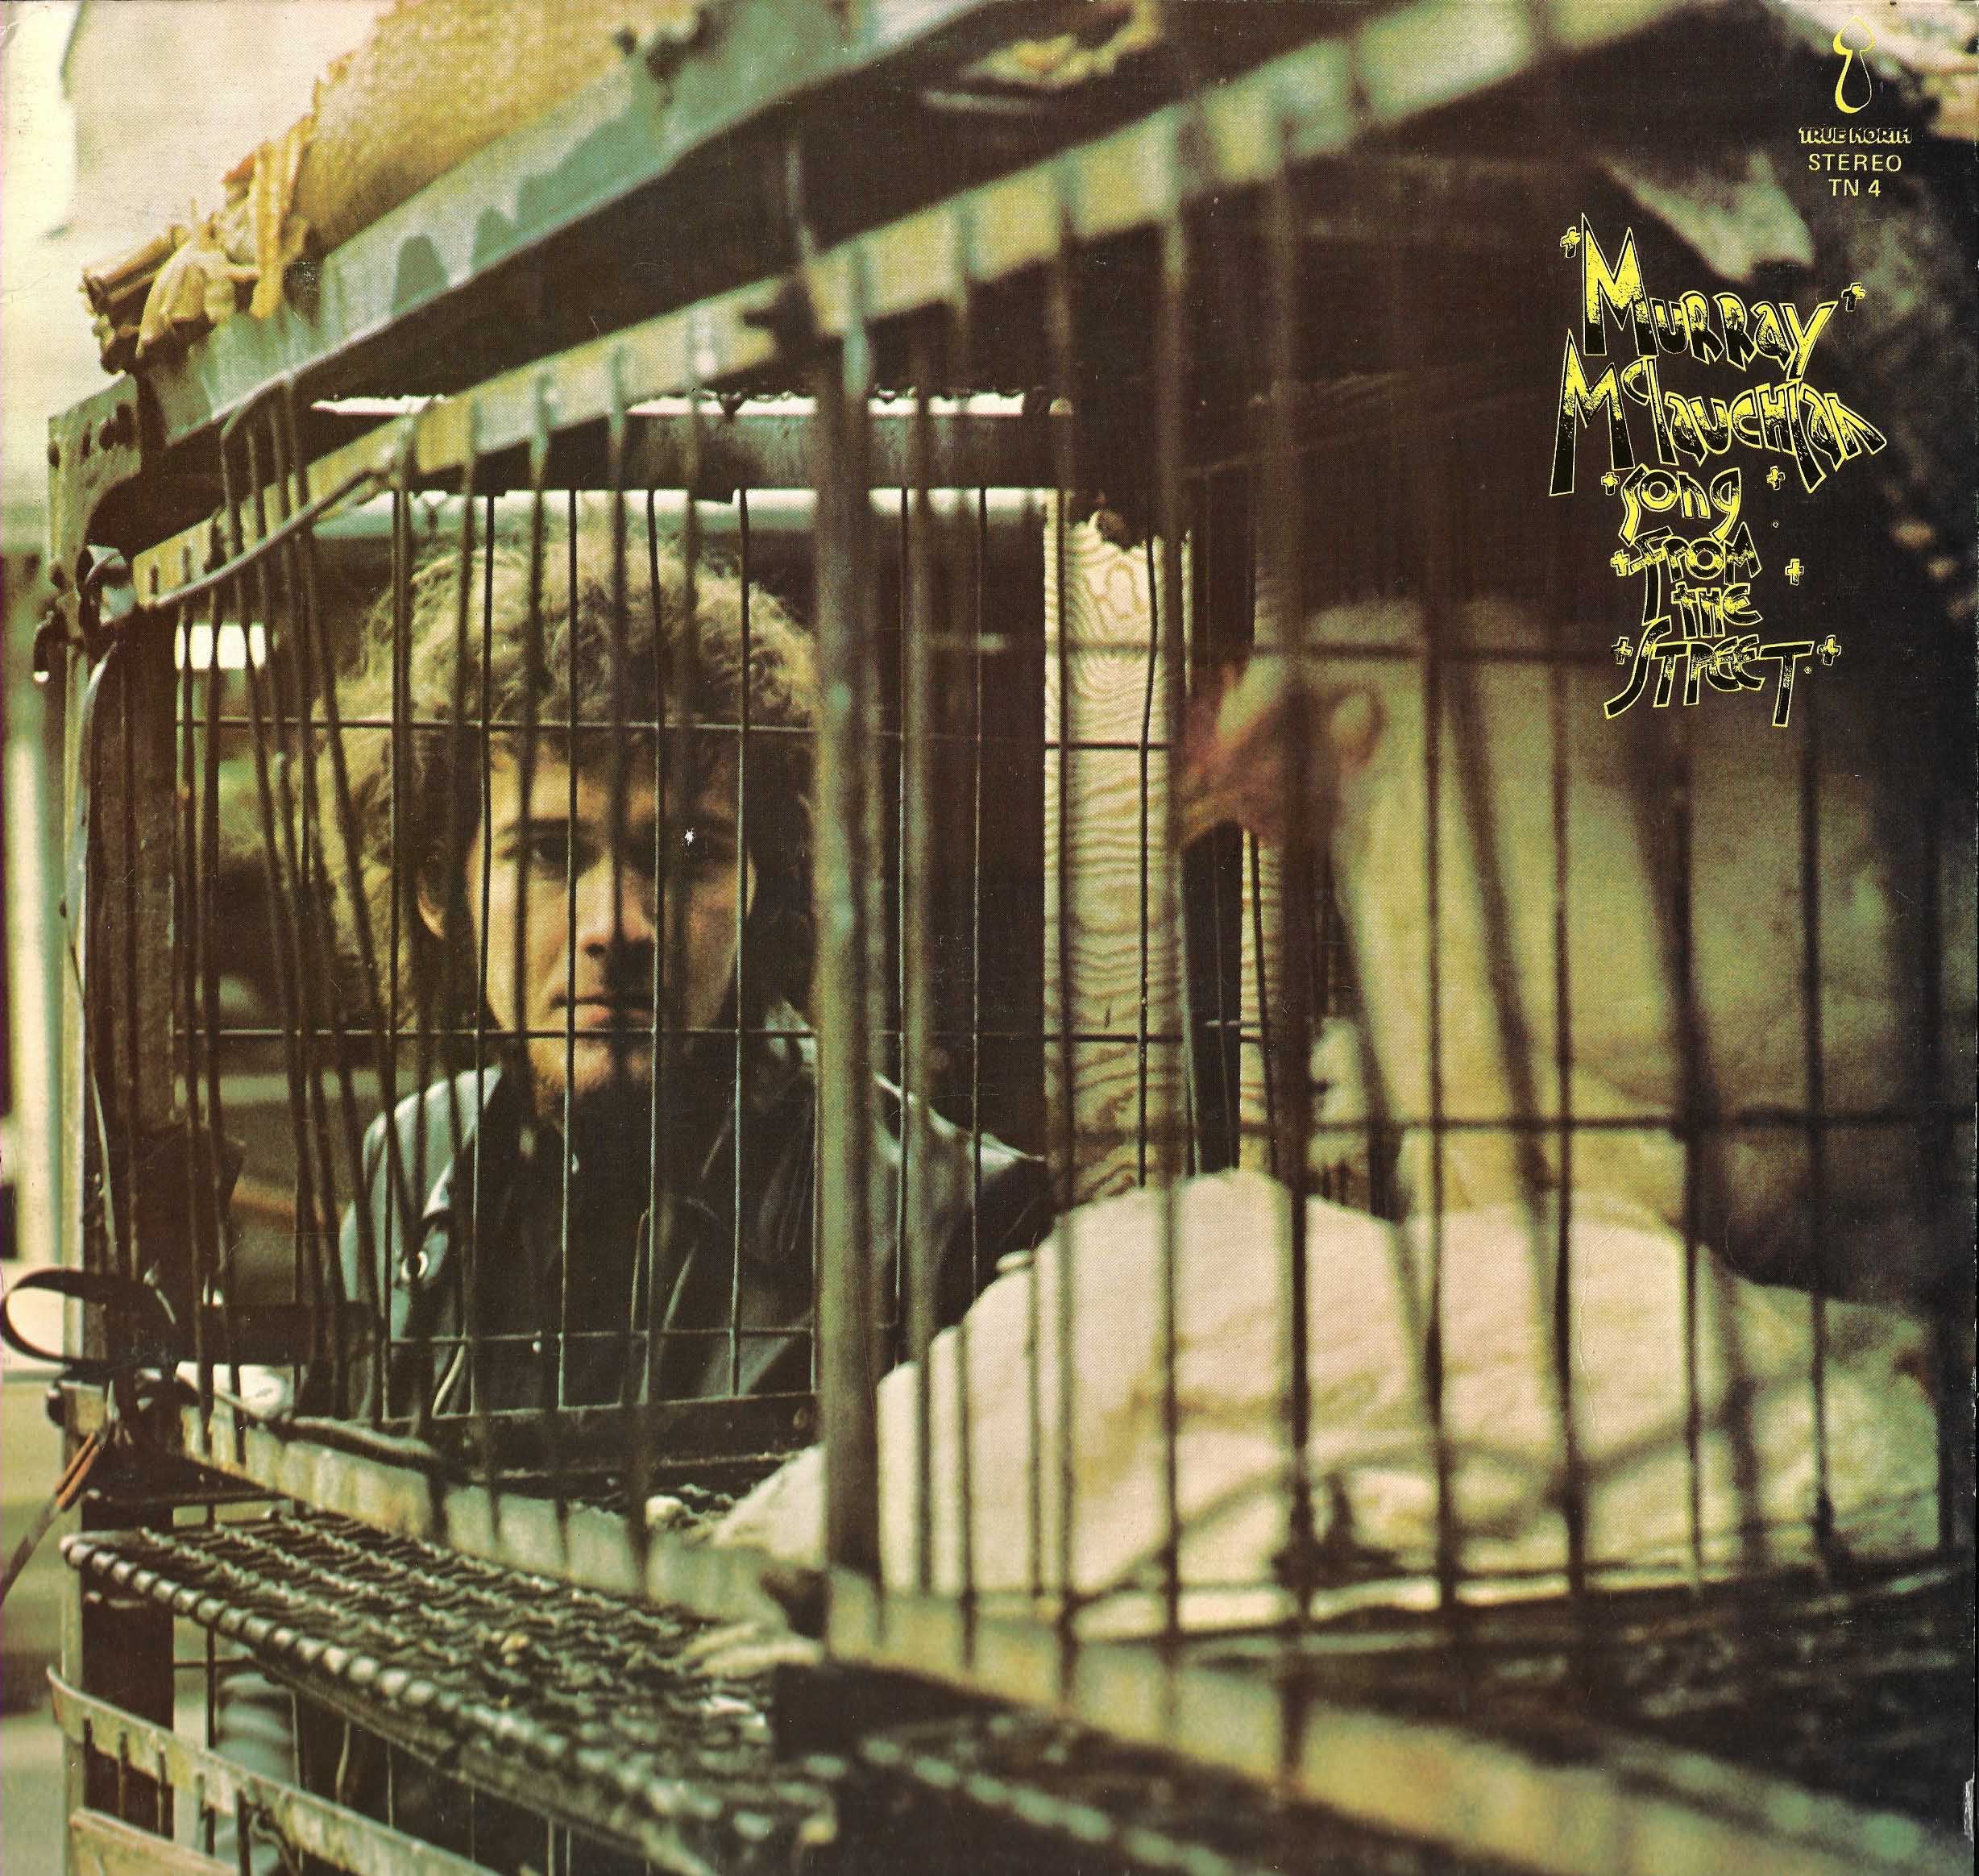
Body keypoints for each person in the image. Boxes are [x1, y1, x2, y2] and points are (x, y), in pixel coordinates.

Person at [319, 501, 1054, 1433]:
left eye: (686, 855)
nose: (617, 927)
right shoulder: (411, 1161)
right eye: (547, 854)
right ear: (439, 892)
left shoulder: (943, 1221)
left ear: (762, 883)